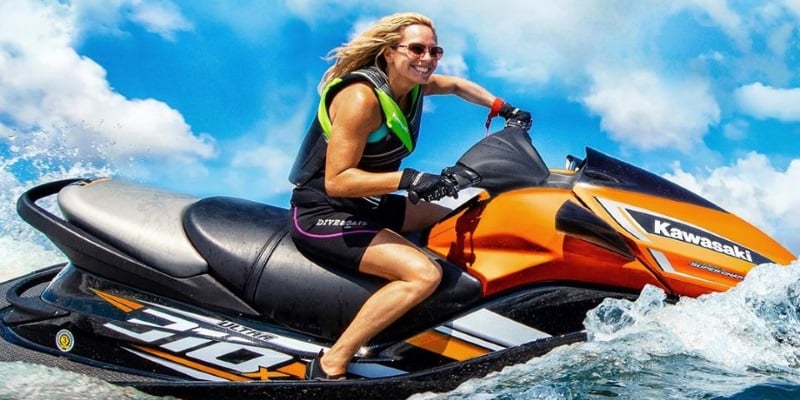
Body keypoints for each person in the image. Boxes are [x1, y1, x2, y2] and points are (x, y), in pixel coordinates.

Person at [288, 12, 531, 380]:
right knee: (422, 275)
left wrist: (502, 108)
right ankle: (331, 363)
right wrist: (408, 178)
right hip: (322, 210)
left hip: (369, 204)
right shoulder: (361, 99)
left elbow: (456, 87)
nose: (428, 58)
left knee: (461, 210)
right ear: (388, 52)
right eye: (417, 49)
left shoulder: (412, 88)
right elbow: (337, 181)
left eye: (436, 51)